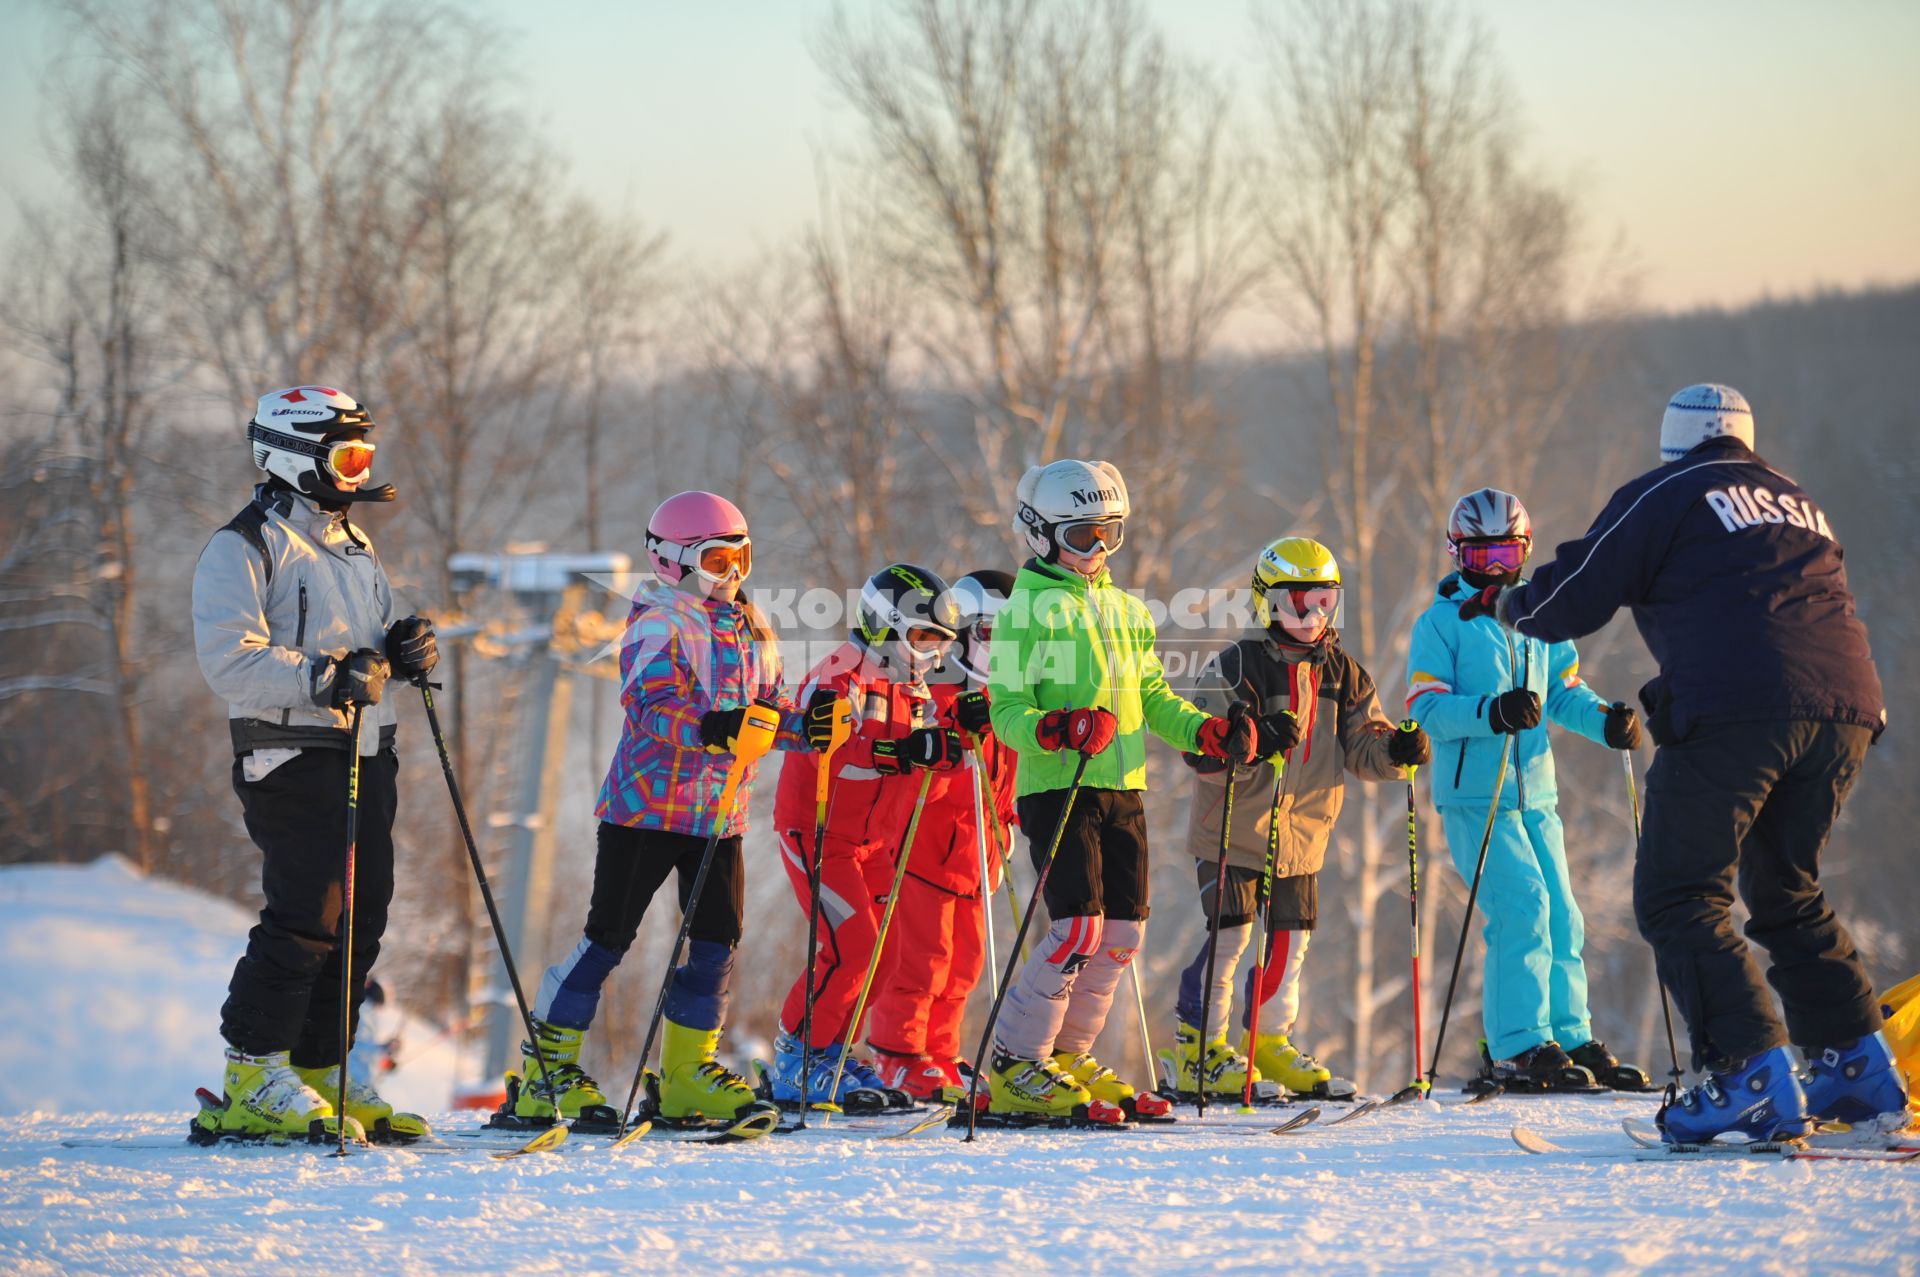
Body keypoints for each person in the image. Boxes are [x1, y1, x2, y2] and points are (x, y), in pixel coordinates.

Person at [1460, 385, 1902, 1142]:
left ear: (1674, 441)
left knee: (1677, 893)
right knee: (1786, 887)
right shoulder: (1796, 498)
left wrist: (1509, 606)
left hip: (1736, 709)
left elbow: (1573, 593)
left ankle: (1745, 1078)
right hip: (1849, 709)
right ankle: (1856, 1070)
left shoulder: (1667, 491)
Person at [503, 490, 834, 1130]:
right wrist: (715, 727)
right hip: (646, 809)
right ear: (674, 562)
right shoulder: (658, 620)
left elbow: (763, 712)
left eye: (741, 557)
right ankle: (546, 1073)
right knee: (608, 940)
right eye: (717, 560)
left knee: (716, 944)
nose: (733, 574)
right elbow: (650, 707)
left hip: (720, 813)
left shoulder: (750, 622)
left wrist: (807, 726)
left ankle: (685, 1076)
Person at [190, 385, 436, 1143]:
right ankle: (252, 1071)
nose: (359, 473)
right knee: (308, 911)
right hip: (289, 751)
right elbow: (229, 659)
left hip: (367, 747)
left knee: (365, 915)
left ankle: (322, 1064)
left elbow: (364, 647)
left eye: (364, 456)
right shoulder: (246, 546)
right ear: (293, 457)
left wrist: (399, 650)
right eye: (346, 457)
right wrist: (326, 678)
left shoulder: (355, 546)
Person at [983, 459, 1256, 1123]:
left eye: (1111, 533)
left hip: (1122, 786)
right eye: (1083, 536)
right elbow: (1004, 708)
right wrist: (1056, 727)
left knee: (1123, 933)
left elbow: (1153, 696)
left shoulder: (1127, 611)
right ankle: (1018, 1060)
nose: (1099, 550)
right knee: (1077, 926)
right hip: (1059, 787)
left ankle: (1069, 1055)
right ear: (1042, 535)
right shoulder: (1024, 612)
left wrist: (1206, 732)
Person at [1408, 490, 1647, 1092]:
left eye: (1507, 551)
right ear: (1457, 552)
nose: (1495, 567)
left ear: (1525, 550)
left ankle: (1568, 1037)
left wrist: (1606, 720)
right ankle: (1517, 1045)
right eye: (1482, 553)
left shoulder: (1539, 617)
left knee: (1564, 915)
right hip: (1475, 799)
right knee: (1523, 909)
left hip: (1536, 794)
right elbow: (1425, 707)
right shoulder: (1440, 624)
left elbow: (1565, 691)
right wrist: (1492, 711)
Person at [1173, 537, 1429, 1100]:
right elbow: (1198, 748)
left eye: (1324, 602)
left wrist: (1397, 753)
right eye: (1298, 603)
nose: (1312, 616)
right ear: (1268, 602)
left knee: (1290, 942)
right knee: (1232, 934)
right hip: (1232, 829)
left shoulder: (1344, 672)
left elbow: (1365, 745)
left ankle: (1268, 1042)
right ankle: (1198, 1048)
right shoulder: (1237, 665)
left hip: (1304, 835)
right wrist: (1253, 740)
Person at [763, 563, 969, 1110]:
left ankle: (833, 1053)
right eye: (924, 637)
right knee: (849, 949)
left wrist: (948, 748)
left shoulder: (914, 687)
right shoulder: (842, 671)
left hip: (875, 842)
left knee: (884, 955)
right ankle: (798, 1056)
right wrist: (905, 752)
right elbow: (828, 744)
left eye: (941, 643)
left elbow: (927, 771)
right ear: (886, 623)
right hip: (820, 831)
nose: (931, 653)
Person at [866, 569, 1019, 1101]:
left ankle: (941, 1053)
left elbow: (1005, 768)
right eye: (993, 635)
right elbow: (921, 759)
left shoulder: (1004, 697)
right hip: (924, 846)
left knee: (967, 962)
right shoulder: (937, 690)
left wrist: (1006, 822)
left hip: (977, 851)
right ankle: (898, 1055)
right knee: (923, 957)